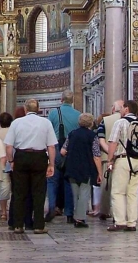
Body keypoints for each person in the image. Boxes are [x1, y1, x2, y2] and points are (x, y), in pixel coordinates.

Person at [4, 98, 57, 234]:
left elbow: (9, 146)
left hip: (21, 156)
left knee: (19, 192)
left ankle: (18, 225)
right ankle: (39, 225)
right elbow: (51, 146)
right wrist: (51, 164)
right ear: (38, 109)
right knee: (39, 192)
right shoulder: (46, 122)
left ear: (25, 109)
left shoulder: (16, 123)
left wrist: (11, 161)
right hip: (39, 157)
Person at [105, 100, 138, 231]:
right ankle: (132, 223)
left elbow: (113, 143)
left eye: (122, 108)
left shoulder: (121, 122)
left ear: (127, 109)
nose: (121, 110)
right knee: (132, 193)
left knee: (118, 192)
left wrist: (110, 160)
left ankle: (120, 222)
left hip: (123, 159)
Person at [61, 112, 102, 228]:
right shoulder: (92, 136)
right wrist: (99, 172)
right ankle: (80, 219)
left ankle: (76, 216)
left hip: (72, 168)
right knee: (84, 194)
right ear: (91, 123)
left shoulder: (72, 134)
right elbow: (96, 155)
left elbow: (62, 151)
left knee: (76, 194)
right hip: (86, 168)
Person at [46, 90, 81, 223]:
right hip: (71, 151)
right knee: (69, 182)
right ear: (72, 101)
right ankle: (70, 213)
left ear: (61, 99)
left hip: (56, 148)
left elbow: (48, 132)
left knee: (52, 180)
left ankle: (51, 209)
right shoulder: (78, 115)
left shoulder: (54, 113)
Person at [96, 99, 124, 221]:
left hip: (107, 157)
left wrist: (110, 153)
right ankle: (119, 213)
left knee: (106, 185)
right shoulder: (128, 121)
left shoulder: (105, 121)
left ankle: (104, 210)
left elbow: (100, 139)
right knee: (121, 186)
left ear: (113, 109)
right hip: (123, 157)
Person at [0, 112, 14, 221]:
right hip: (13, 161)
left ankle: (3, 212)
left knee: (4, 187)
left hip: (0, 163)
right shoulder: (14, 131)